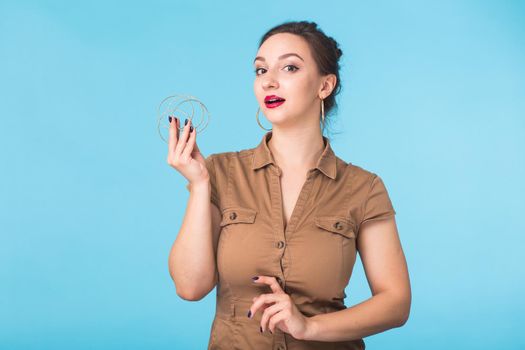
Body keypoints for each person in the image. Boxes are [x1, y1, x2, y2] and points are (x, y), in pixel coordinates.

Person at [167, 20, 411, 350]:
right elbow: (190, 287)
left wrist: (309, 327)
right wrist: (199, 186)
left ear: (325, 86)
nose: (269, 81)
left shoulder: (364, 188)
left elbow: (395, 303)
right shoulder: (220, 172)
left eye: (290, 67)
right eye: (260, 70)